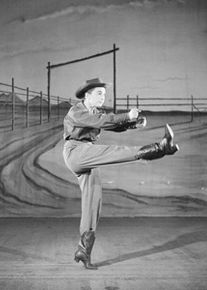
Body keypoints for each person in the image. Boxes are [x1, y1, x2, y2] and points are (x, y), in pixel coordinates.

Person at [62, 78, 179, 270]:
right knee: (113, 152)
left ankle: (83, 251)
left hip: (88, 155)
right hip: (76, 152)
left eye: (104, 94)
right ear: (86, 95)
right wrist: (127, 115)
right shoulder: (77, 111)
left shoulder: (95, 112)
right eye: (99, 93)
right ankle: (158, 148)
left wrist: (133, 123)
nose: (103, 97)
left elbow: (112, 125)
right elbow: (101, 121)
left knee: (93, 202)